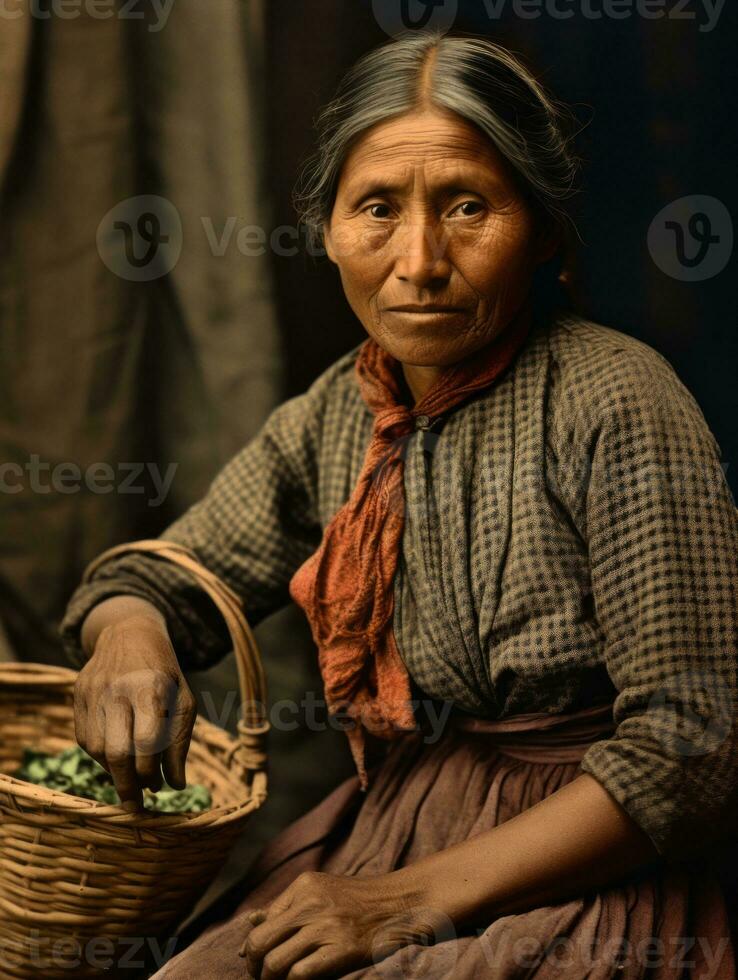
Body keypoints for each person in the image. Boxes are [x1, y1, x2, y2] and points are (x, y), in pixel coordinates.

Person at [61, 30, 738, 979]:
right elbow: (157, 580)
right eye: (376, 208)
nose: (418, 261)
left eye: (468, 206)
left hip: (580, 856)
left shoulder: (616, 403)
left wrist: (406, 899)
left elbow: (692, 753)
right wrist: (132, 633)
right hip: (401, 822)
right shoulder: (345, 408)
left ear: (541, 229)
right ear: (327, 227)